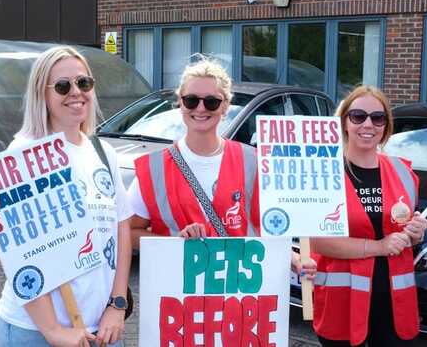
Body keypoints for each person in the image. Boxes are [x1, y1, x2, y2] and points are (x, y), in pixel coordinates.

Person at [127, 57, 315, 277]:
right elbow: (129, 232)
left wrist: (295, 259)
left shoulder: (254, 161)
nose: (200, 108)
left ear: (225, 105)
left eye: (211, 102)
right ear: (180, 102)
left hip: (240, 294)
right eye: (191, 100)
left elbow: (271, 227)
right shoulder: (153, 167)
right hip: (180, 293)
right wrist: (174, 242)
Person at [0, 46, 131, 347]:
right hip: (35, 332)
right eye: (62, 86)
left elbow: (121, 227)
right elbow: (18, 253)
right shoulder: (23, 152)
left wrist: (117, 304)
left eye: (83, 83)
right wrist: (54, 330)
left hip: (100, 328)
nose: (76, 92)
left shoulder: (102, 151)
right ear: (41, 94)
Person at [310, 85, 427, 347]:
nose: (368, 124)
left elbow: (403, 233)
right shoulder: (323, 173)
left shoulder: (403, 172)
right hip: (342, 302)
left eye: (377, 118)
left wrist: (415, 233)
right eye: (358, 116)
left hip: (394, 303)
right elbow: (318, 241)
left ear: (386, 126)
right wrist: (379, 246)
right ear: (344, 123)